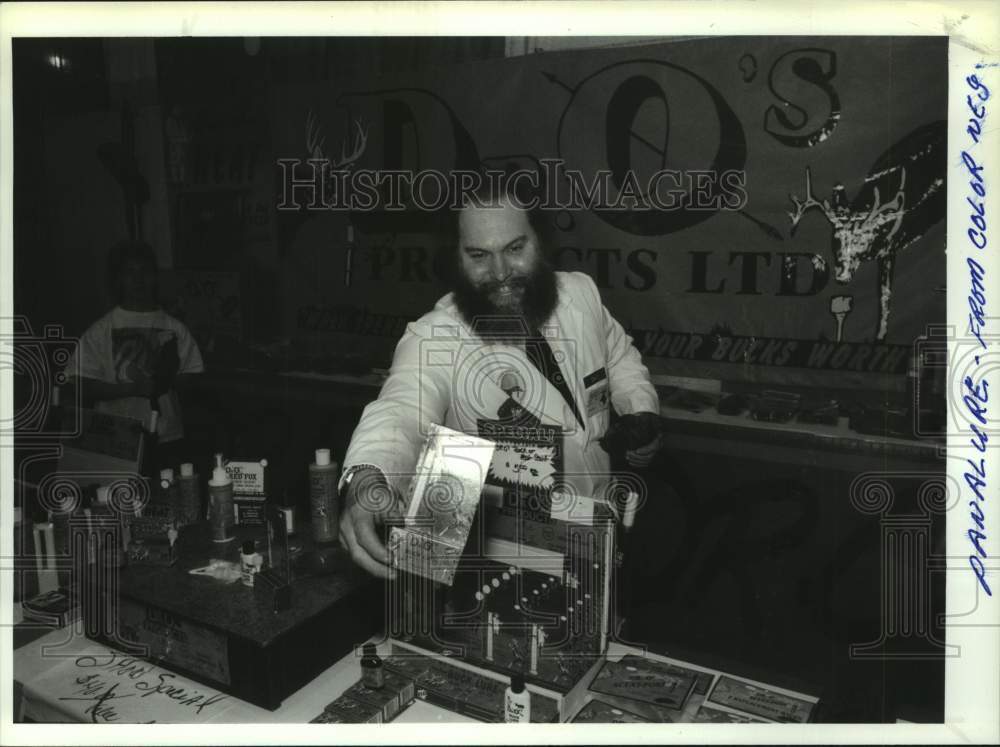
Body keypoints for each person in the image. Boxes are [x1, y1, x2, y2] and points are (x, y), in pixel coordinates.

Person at [338, 187, 661, 579]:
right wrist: (368, 479)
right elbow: (401, 410)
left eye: (515, 248)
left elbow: (618, 352)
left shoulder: (580, 294)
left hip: (603, 531)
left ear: (539, 243)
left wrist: (640, 408)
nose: (501, 272)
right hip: (509, 562)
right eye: (479, 255)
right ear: (456, 259)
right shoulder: (438, 336)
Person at [65, 240, 204, 463]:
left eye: (144, 271)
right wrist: (132, 388)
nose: (138, 279)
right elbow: (80, 384)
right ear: (118, 279)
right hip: (116, 437)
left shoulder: (175, 328)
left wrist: (167, 378)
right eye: (130, 272)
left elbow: (191, 375)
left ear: (155, 276)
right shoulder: (100, 330)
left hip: (167, 436)